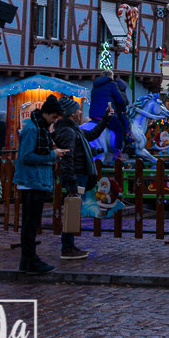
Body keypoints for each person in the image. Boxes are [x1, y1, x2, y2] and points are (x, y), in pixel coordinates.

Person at [14, 95, 67, 274]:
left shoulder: (41, 127)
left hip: (37, 181)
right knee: (30, 224)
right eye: (53, 117)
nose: (54, 122)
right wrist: (53, 156)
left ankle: (27, 260)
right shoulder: (32, 129)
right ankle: (30, 260)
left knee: (32, 223)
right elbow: (26, 157)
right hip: (31, 181)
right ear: (45, 113)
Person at [52, 96, 96, 260]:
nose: (80, 112)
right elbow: (68, 158)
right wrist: (71, 182)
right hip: (76, 176)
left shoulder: (74, 129)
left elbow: (91, 135)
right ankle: (67, 247)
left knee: (74, 211)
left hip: (78, 174)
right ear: (71, 113)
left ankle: (69, 245)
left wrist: (106, 119)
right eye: (78, 110)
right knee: (72, 211)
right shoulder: (68, 131)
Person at [88, 70, 130, 159]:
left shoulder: (95, 86)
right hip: (107, 113)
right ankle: (117, 153)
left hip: (94, 114)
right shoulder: (112, 84)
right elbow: (120, 99)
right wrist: (123, 109)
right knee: (120, 129)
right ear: (111, 76)